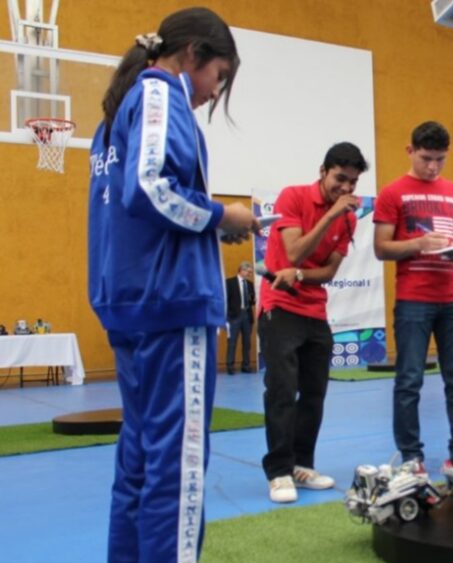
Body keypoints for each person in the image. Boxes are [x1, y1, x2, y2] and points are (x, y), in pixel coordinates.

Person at [87, 8, 256, 561]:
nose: (214, 92)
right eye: (218, 77)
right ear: (192, 56)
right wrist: (220, 217)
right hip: (171, 307)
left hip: (132, 303)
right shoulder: (160, 94)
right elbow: (150, 188)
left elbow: (138, 206)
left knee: (138, 463)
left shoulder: (117, 112)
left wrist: (210, 228)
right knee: (176, 471)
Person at [259, 142, 366, 503]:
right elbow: (293, 252)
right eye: (340, 179)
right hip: (279, 306)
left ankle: (302, 464)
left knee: (315, 394)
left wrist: (302, 276)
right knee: (282, 390)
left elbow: (328, 271)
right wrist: (332, 215)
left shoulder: (350, 218)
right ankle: (278, 471)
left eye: (352, 182)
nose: (346, 189)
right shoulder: (293, 197)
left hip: (314, 311)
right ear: (323, 171)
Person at [374, 121, 453, 466]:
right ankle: (411, 457)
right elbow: (381, 249)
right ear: (410, 151)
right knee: (409, 380)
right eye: (426, 158)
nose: (433, 166)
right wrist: (419, 244)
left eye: (440, 160)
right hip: (413, 299)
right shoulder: (392, 193)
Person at [225, 261, 256, 374]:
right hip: (234, 316)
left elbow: (252, 301)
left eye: (250, 273)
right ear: (241, 270)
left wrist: (253, 299)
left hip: (247, 315)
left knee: (247, 342)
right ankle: (230, 366)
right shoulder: (229, 282)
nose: (249, 274)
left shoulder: (250, 284)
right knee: (232, 341)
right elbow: (225, 300)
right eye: (248, 272)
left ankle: (246, 366)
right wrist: (227, 315)